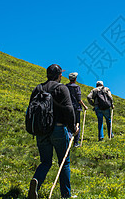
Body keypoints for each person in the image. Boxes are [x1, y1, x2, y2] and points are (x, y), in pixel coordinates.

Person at [28, 64, 79, 199]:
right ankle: (66, 195)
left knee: (45, 162)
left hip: (41, 130)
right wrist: (73, 128)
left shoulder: (38, 88)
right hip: (58, 129)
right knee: (64, 161)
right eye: (61, 74)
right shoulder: (61, 88)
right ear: (58, 75)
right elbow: (69, 109)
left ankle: (36, 182)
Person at [66, 72, 88, 147]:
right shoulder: (77, 87)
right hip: (76, 108)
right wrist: (84, 106)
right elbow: (79, 99)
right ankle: (76, 142)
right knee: (77, 124)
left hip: (68, 108)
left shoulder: (66, 86)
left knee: (68, 124)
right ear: (75, 79)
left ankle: (68, 138)